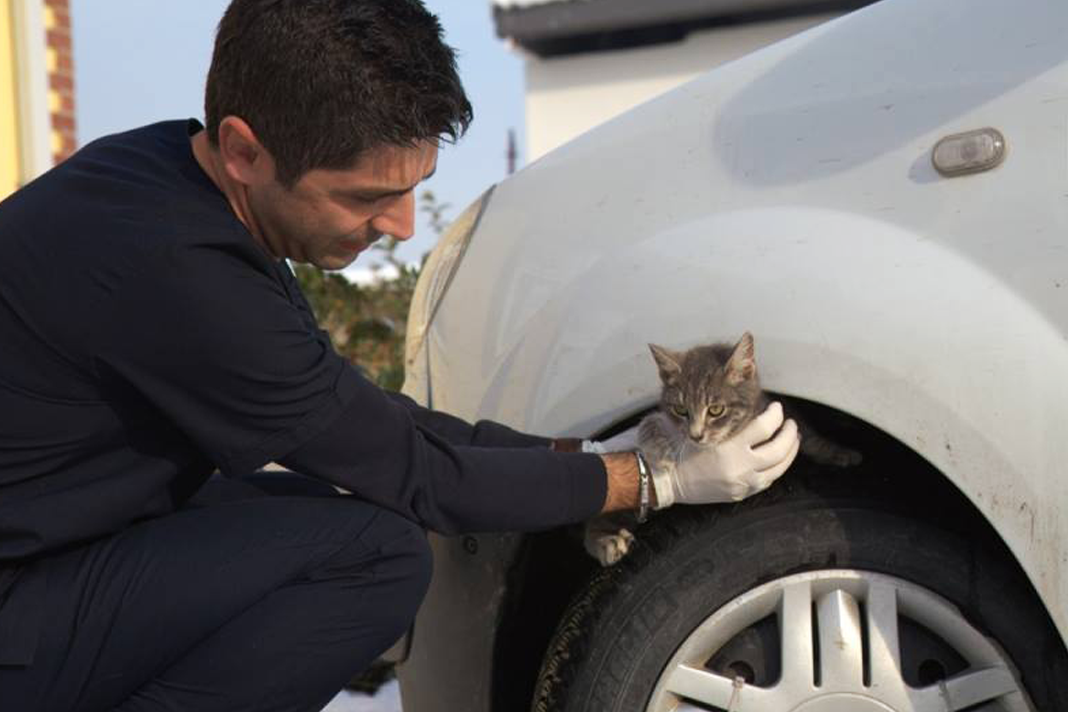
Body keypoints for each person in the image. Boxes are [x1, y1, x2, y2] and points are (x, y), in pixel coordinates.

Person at [0, 1, 799, 710]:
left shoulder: (159, 174)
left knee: (303, 506)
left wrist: (589, 457)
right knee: (373, 556)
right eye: (367, 197)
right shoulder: (178, 275)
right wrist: (652, 480)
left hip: (59, 549)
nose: (403, 226)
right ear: (246, 151)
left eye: (415, 187)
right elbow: (419, 476)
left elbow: (383, 429)